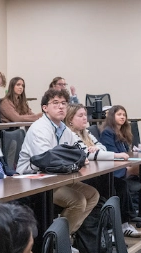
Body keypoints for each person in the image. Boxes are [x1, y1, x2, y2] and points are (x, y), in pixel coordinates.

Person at [16, 88, 100, 239]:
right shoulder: (39, 128)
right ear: (45, 108)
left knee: (93, 195)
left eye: (64, 103)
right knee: (78, 201)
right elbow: (47, 160)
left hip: (57, 177)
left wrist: (76, 157)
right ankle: (56, 241)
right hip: (35, 180)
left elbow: (80, 151)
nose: (61, 106)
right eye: (55, 103)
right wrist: (73, 159)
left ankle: (64, 237)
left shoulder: (64, 128)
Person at [95, 105, 141, 238]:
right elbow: (112, 153)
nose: (123, 117)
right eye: (119, 114)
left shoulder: (122, 132)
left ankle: (128, 221)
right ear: (112, 116)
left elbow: (124, 151)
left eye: (124, 114)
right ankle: (127, 221)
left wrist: (132, 151)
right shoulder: (108, 132)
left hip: (121, 167)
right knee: (124, 184)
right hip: (113, 169)